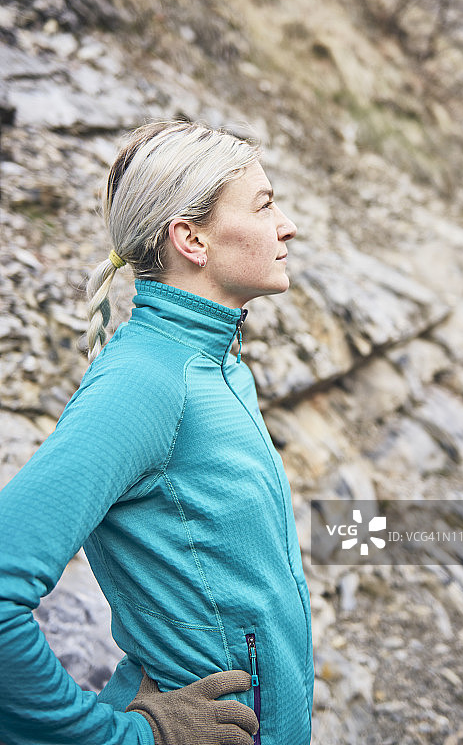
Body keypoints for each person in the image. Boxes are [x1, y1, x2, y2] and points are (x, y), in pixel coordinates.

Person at [0, 121, 314, 745]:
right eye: (264, 204)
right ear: (190, 238)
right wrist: (128, 736)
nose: (287, 225)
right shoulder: (144, 383)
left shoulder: (215, 363)